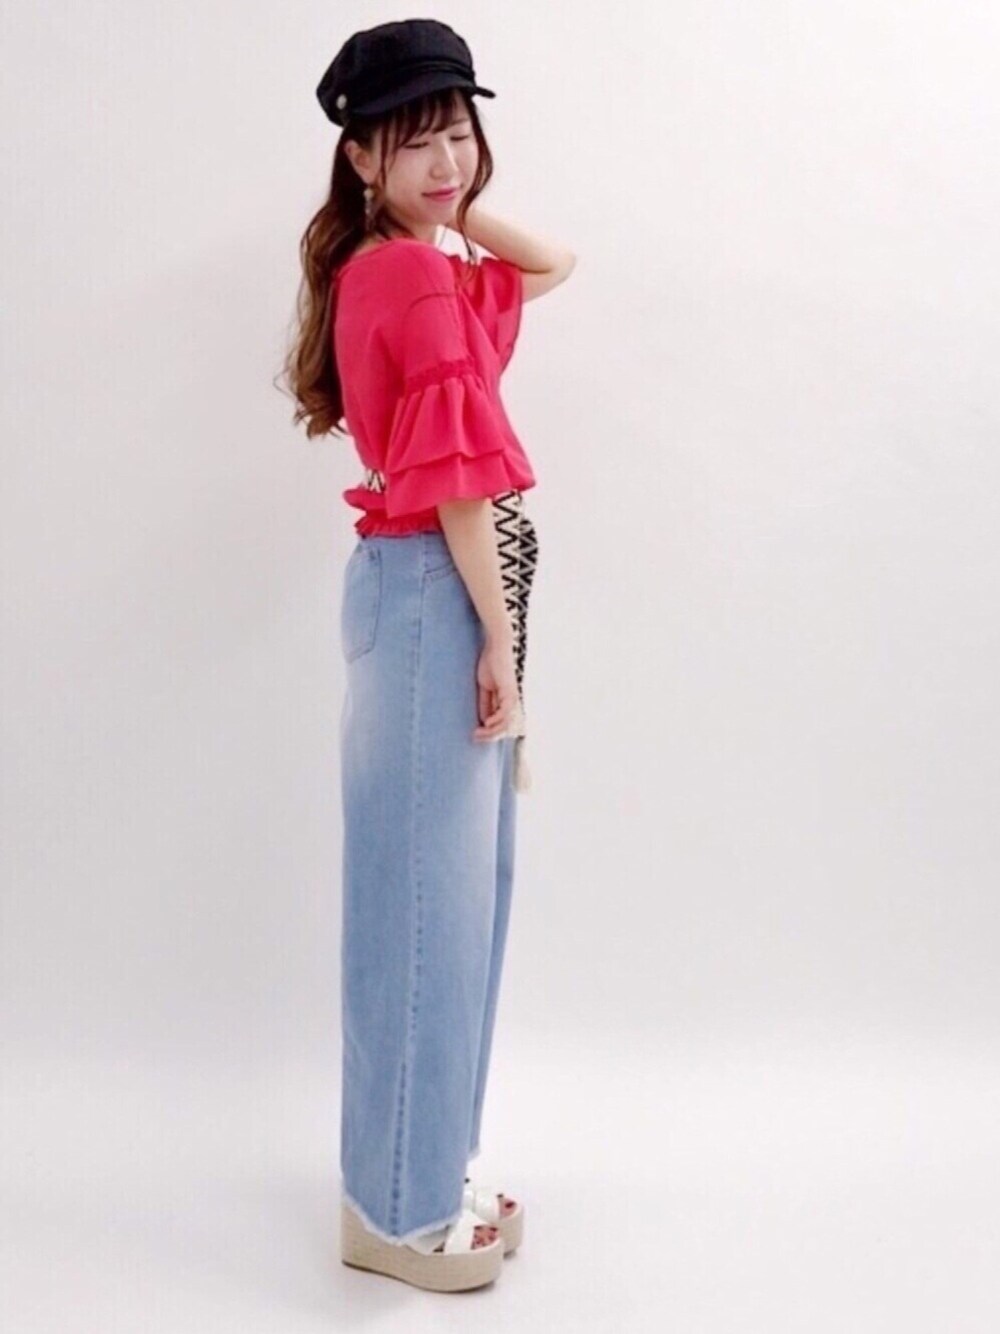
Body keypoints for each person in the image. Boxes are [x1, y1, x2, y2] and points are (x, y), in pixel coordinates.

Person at [281, 18, 575, 1292]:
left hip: (426, 595)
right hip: (432, 597)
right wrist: (497, 637)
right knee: (424, 914)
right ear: (358, 156)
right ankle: (396, 1211)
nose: (447, 159)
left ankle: (421, 1170)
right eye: (412, 142)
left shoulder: (414, 263)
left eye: (457, 131)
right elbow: (457, 483)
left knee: (454, 904)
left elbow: (553, 263)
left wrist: (447, 201)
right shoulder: (404, 275)